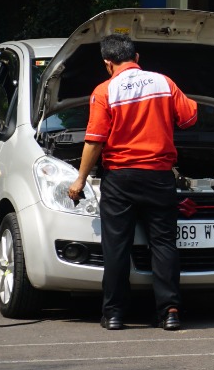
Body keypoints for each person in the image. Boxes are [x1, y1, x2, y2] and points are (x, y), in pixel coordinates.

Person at [66, 32, 198, 331]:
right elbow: (189, 118)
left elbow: (95, 140)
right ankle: (170, 312)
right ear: (136, 58)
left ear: (107, 63)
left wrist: (80, 179)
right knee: (164, 244)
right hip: (158, 176)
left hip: (120, 178)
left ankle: (114, 314)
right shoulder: (164, 82)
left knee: (117, 247)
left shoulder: (105, 90)